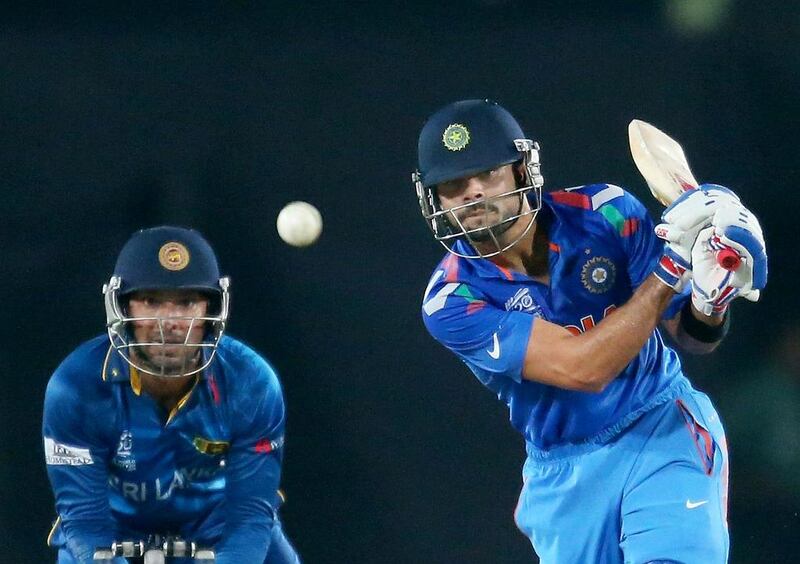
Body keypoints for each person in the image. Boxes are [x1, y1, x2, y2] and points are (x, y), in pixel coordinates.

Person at [413, 99, 767, 563]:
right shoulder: (451, 300)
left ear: (521, 171)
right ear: (434, 199)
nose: (474, 194)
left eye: (489, 174)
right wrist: (674, 264)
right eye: (454, 185)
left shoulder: (607, 213)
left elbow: (694, 337)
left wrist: (711, 300)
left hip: (659, 425)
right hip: (564, 473)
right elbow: (584, 369)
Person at [42, 226, 301, 563]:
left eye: (187, 302)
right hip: (114, 535)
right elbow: (86, 522)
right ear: (123, 308)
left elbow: (249, 517)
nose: (170, 323)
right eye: (151, 301)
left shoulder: (251, 382)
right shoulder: (75, 387)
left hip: (219, 532)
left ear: (211, 308)